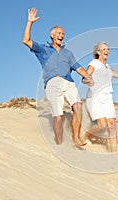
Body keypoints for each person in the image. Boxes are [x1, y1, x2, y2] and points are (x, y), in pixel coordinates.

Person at [22, 8, 93, 146]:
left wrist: (89, 77)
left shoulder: (68, 53)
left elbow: (78, 67)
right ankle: (59, 143)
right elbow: (26, 40)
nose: (62, 35)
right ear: (52, 35)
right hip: (52, 83)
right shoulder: (43, 49)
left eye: (63, 34)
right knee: (58, 117)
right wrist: (30, 22)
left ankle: (76, 138)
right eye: (59, 33)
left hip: (68, 82)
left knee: (78, 106)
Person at [84, 42, 118, 152]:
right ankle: (86, 136)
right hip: (95, 97)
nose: (107, 51)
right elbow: (84, 77)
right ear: (98, 52)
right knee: (102, 126)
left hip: (107, 97)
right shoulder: (94, 63)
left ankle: (114, 153)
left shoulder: (108, 67)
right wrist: (88, 80)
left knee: (112, 125)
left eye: (108, 49)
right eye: (104, 49)